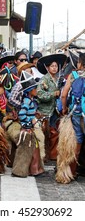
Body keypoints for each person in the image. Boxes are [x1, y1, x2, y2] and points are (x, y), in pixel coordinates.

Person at [56, 52, 85, 183]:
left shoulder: (73, 76)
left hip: (77, 114)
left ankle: (71, 173)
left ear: (81, 64)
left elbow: (64, 95)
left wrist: (64, 108)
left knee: (75, 144)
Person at [11, 72, 44, 177]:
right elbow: (21, 114)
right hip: (27, 129)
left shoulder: (30, 100)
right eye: (35, 88)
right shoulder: (26, 101)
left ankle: (34, 169)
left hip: (30, 128)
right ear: (30, 91)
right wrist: (30, 122)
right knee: (33, 150)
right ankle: (34, 170)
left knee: (34, 149)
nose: (36, 90)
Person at [36, 53, 67, 161]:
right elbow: (39, 94)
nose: (55, 68)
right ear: (47, 67)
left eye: (56, 66)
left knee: (54, 133)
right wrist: (53, 94)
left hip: (54, 110)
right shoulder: (44, 80)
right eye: (52, 66)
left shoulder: (58, 79)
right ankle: (44, 156)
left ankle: (53, 155)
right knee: (45, 133)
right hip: (44, 111)